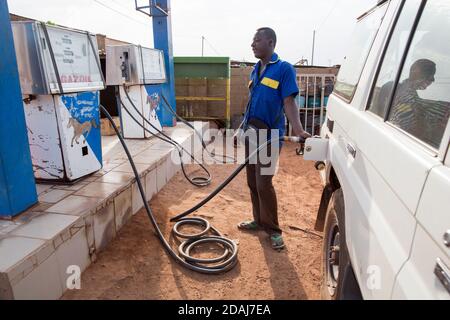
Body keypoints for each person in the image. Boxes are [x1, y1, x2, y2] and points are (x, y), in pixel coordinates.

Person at [238, 27, 311, 250]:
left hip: (270, 136)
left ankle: (273, 230)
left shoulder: (284, 69)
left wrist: (298, 130)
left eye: (257, 40)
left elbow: (289, 102)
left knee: (264, 183)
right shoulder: (254, 70)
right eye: (252, 40)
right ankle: (258, 221)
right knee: (252, 181)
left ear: (270, 42)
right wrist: (241, 128)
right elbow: (252, 102)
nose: (252, 44)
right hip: (251, 132)